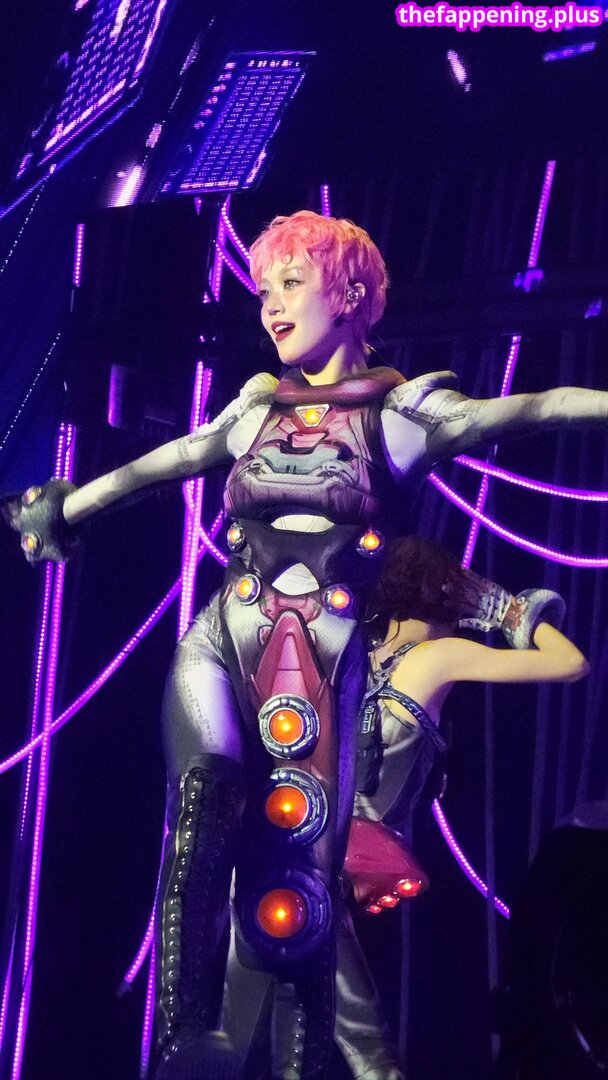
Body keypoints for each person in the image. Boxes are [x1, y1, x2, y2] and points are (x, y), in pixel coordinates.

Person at [4, 210, 606, 1080]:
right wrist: (66, 509)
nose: (272, 307)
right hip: (226, 635)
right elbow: (167, 462)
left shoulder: (402, 415)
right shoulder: (255, 407)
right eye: (263, 291)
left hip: (322, 660)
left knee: (301, 889)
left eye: (291, 283)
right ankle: (184, 1039)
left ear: (351, 293)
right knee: (204, 805)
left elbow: (536, 408)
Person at [330, 533, 588, 1080]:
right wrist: (508, 611)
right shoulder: (437, 656)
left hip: (312, 843)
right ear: (447, 597)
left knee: (301, 1014)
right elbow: (570, 663)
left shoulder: (355, 658)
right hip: (354, 857)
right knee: (361, 1038)